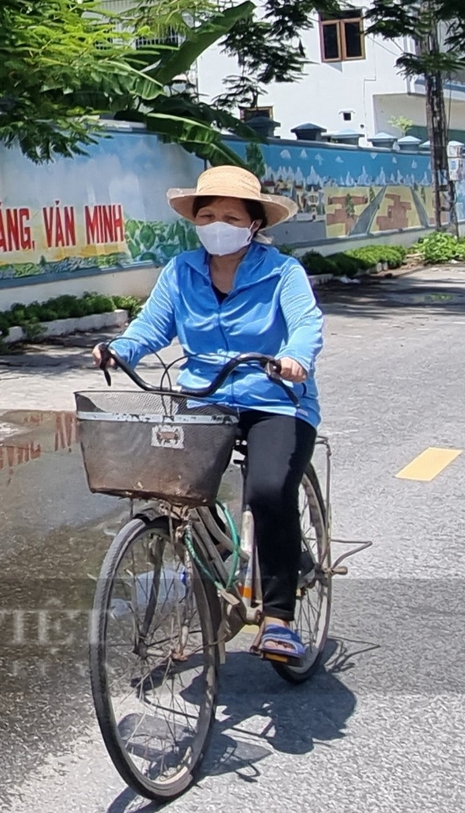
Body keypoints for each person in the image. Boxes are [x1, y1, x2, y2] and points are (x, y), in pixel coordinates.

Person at [93, 163, 324, 664]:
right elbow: (152, 327)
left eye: (231, 216)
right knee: (175, 492)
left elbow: (306, 324)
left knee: (266, 490)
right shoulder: (180, 270)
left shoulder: (284, 272)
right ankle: (222, 579)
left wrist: (296, 360)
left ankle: (280, 617)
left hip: (275, 398)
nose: (218, 224)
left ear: (254, 224)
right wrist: (119, 349)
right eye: (209, 214)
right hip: (205, 399)